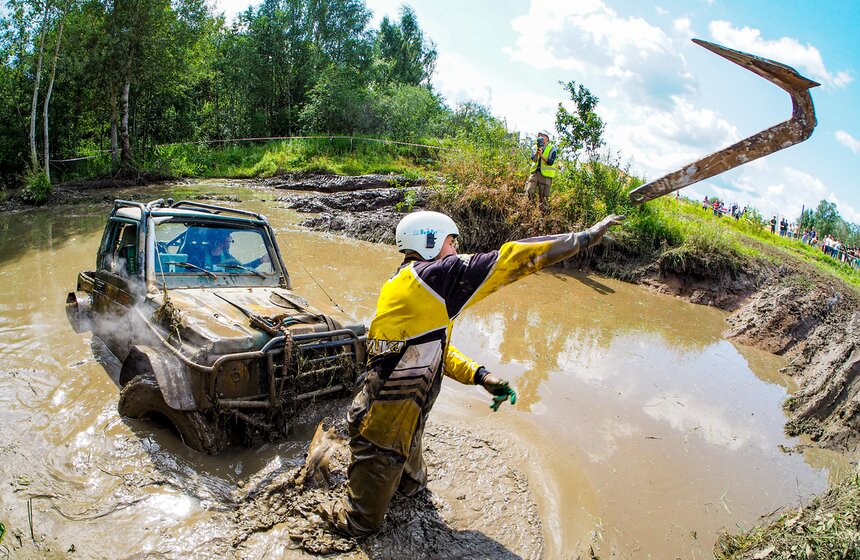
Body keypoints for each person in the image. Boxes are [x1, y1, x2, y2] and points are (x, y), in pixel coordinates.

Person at [320, 210, 624, 536]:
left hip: (403, 421)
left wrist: (479, 375)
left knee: (413, 489)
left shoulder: (403, 284)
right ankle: (319, 505)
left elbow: (426, 348)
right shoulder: (433, 277)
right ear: (430, 240)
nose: (455, 249)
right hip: (382, 428)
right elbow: (511, 258)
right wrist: (583, 238)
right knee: (360, 525)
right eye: (451, 242)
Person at [524, 131, 557, 211]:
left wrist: (541, 155)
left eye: (542, 136)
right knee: (529, 191)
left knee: (544, 197)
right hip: (535, 174)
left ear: (547, 138)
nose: (540, 137)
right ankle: (529, 210)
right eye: (539, 136)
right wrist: (537, 152)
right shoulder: (536, 147)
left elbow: (550, 162)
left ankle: (544, 216)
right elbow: (534, 159)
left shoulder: (552, 148)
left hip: (546, 176)